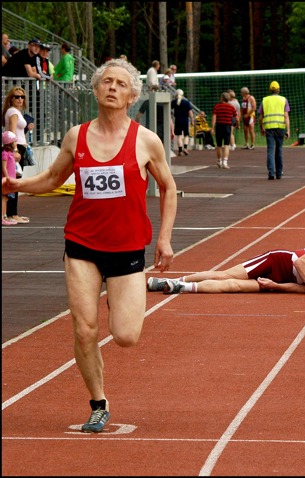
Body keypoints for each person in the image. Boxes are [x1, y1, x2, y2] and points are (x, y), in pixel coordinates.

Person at [1, 57, 178, 433]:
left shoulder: (146, 140)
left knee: (126, 336)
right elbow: (51, 177)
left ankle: (121, 294)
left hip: (128, 247)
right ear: (96, 91)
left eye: (120, 84)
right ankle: (98, 403)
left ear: (132, 95)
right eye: (106, 82)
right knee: (84, 329)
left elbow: (168, 187)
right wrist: (17, 186)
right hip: (82, 244)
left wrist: (163, 238)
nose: (112, 87)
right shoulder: (76, 136)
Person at [147, 244, 305, 296]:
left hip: (280, 279)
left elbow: (300, 289)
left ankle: (179, 286)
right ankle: (172, 279)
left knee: (232, 287)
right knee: (225, 274)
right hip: (278, 261)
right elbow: (301, 263)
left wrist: (276, 286)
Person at [2, 86, 31, 224]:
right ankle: (12, 213)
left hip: (19, 146)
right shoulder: (13, 112)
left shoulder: (16, 112)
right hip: (16, 147)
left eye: (22, 97)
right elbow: (12, 132)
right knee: (14, 181)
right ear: (11, 98)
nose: (20, 99)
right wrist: (15, 150)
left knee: (16, 180)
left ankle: (13, 213)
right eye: (16, 96)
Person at [258, 81, 290, 180]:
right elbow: (286, 116)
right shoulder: (283, 100)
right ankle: (279, 173)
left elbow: (260, 117)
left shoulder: (265, 100)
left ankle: (271, 172)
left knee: (270, 150)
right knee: (279, 150)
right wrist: (288, 130)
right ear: (278, 89)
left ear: (270, 90)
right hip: (280, 127)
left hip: (269, 127)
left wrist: (261, 128)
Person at [212, 91, 238, 169]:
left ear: (222, 98)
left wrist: (212, 127)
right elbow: (236, 118)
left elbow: (214, 117)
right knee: (227, 145)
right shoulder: (231, 107)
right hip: (227, 126)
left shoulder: (217, 106)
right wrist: (238, 124)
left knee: (219, 145)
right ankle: (225, 162)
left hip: (219, 126)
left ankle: (219, 161)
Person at [2, 130, 20, 225]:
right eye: (14, 142)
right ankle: (3, 217)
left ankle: (4, 216)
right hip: (7, 179)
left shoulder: (10, 153)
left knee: (6, 198)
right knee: (4, 198)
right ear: (10, 143)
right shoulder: (5, 153)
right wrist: (7, 177)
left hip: (11, 178)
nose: (15, 144)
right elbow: (4, 166)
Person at [170, 89, 194, 156]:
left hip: (177, 120)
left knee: (179, 136)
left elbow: (169, 109)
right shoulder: (186, 102)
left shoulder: (174, 102)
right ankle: (185, 148)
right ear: (183, 95)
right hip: (185, 120)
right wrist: (192, 119)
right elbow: (190, 112)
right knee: (186, 135)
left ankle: (180, 150)